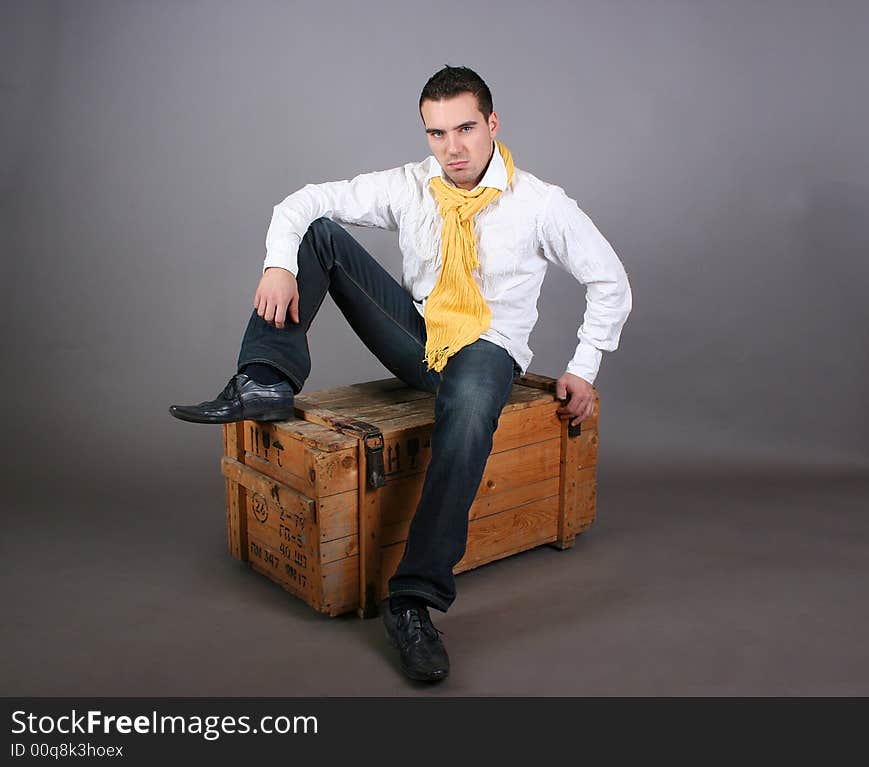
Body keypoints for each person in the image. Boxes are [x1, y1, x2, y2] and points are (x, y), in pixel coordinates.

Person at [169, 65, 632, 683]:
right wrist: (279, 264)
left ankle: (413, 600)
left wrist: (582, 366)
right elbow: (302, 201)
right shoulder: (413, 186)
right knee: (319, 234)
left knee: (468, 410)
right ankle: (264, 381)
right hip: (419, 340)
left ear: (492, 124)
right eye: (437, 133)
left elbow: (611, 282)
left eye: (466, 129)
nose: (453, 148)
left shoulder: (542, 205)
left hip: (486, 349)